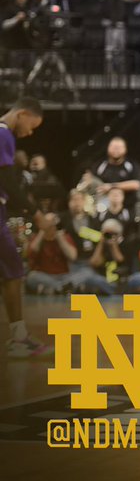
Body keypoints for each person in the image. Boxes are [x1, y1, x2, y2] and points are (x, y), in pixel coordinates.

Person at [1, 97, 46, 358]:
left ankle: (19, 336)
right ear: (22, 114)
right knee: (14, 270)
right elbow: (6, 181)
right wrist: (35, 212)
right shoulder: (4, 134)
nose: (30, 133)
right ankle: (18, 339)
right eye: (32, 126)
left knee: (12, 269)